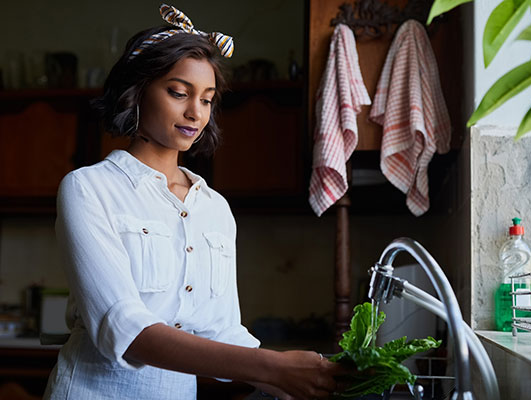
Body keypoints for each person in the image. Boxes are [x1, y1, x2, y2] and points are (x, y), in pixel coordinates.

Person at [43, 4, 346, 400]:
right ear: (136, 92)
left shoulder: (215, 208)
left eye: (207, 99)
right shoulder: (88, 188)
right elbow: (123, 329)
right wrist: (274, 367)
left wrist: (296, 381)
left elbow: (221, 329)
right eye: (178, 93)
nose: (195, 113)